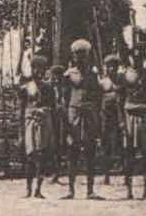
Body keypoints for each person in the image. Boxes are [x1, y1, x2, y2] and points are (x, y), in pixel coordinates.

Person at [59, 39, 103, 199]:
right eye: (78, 55)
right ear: (74, 56)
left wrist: (97, 118)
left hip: (89, 116)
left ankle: (90, 190)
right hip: (74, 115)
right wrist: (66, 122)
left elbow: (98, 97)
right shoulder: (68, 75)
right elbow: (63, 99)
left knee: (90, 152)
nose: (81, 58)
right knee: (73, 152)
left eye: (84, 55)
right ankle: (70, 190)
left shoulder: (93, 75)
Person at [119, 34, 146, 200]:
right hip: (129, 115)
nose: (137, 58)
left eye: (140, 56)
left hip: (145, 115)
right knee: (129, 153)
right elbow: (119, 98)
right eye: (135, 55)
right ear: (131, 56)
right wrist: (121, 121)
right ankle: (128, 190)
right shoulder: (125, 75)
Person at [19, 54, 56, 199]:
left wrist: (45, 112)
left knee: (41, 155)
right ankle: (28, 189)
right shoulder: (25, 88)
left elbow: (52, 107)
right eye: (35, 68)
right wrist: (21, 132)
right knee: (30, 155)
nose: (37, 71)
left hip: (44, 122)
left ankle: (38, 189)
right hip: (29, 121)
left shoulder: (48, 88)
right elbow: (22, 109)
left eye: (40, 68)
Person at [98, 52, 124, 185]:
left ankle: (126, 175)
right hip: (106, 116)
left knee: (122, 143)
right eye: (109, 66)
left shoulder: (122, 80)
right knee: (105, 144)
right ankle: (106, 174)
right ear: (105, 67)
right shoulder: (102, 82)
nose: (112, 68)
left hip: (120, 116)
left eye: (114, 66)